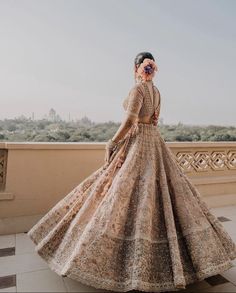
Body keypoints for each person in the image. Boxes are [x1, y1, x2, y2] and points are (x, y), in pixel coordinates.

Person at [27, 51, 236, 292]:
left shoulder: (138, 90)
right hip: (154, 142)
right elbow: (154, 121)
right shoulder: (157, 92)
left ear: (137, 67)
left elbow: (129, 121)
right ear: (151, 69)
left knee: (120, 193)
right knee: (158, 196)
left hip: (138, 143)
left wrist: (111, 142)